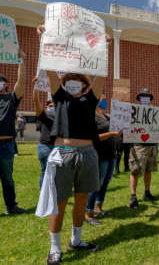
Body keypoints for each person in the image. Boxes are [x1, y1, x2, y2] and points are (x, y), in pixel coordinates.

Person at [38, 22, 110, 265]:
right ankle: (54, 247)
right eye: (70, 78)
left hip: (87, 153)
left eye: (79, 79)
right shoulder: (59, 96)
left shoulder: (91, 98)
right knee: (59, 201)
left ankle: (76, 239)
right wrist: (43, 39)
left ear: (86, 83)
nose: (74, 81)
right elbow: (49, 68)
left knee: (81, 199)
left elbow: (101, 75)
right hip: (62, 153)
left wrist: (105, 48)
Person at [85, 96, 121, 225]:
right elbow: (94, 137)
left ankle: (98, 207)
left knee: (105, 182)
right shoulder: (91, 116)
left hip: (111, 154)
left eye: (106, 99)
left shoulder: (107, 116)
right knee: (96, 184)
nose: (105, 101)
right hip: (99, 155)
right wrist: (112, 134)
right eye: (102, 99)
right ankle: (88, 213)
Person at [0, 49, 27, 215]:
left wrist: (21, 61)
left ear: (6, 85)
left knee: (7, 179)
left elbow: (21, 82)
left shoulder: (11, 98)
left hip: (6, 145)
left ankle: (11, 206)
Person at [129, 89, 158, 209]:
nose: (145, 98)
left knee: (148, 169)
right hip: (138, 145)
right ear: (139, 98)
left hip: (151, 145)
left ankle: (147, 192)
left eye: (147, 96)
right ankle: (133, 196)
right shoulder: (133, 111)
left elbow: (158, 126)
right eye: (143, 96)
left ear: (150, 98)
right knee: (135, 171)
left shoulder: (155, 112)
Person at [33, 80, 55, 189]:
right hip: (46, 147)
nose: (52, 107)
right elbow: (36, 101)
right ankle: (44, 194)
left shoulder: (60, 117)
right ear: (46, 107)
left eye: (54, 105)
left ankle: (51, 193)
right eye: (50, 105)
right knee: (45, 172)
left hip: (57, 147)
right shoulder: (44, 115)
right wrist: (36, 87)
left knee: (55, 174)